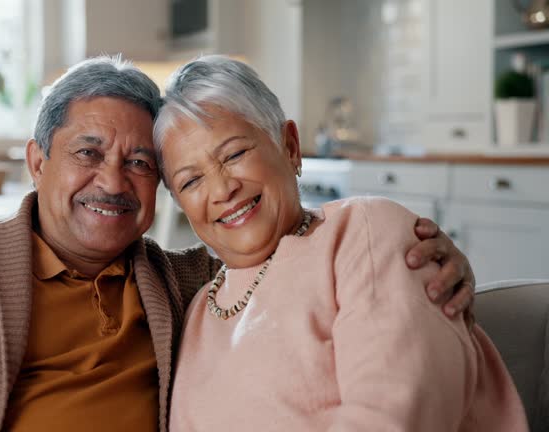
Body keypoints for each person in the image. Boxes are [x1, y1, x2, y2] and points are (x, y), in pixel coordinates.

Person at [0, 56, 477, 432]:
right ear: (38, 160)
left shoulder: (192, 282)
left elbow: (285, 235)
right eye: (87, 152)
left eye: (142, 163)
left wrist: (401, 244)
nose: (112, 182)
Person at [154, 56, 528, 431]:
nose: (222, 189)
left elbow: (393, 411)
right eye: (191, 181)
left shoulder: (364, 232)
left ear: (289, 146)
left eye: (234, 154)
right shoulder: (196, 306)